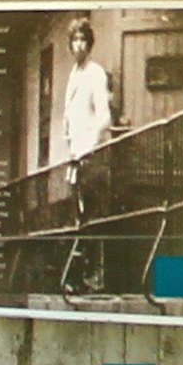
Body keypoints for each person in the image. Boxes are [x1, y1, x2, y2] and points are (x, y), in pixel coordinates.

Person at [50, 19, 119, 294]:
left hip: (93, 157)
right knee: (78, 217)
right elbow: (69, 116)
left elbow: (103, 117)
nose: (78, 45)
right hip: (76, 157)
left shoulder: (95, 73)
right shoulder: (73, 76)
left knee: (94, 215)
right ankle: (79, 278)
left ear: (89, 44)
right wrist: (69, 142)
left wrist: (87, 147)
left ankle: (96, 279)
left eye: (83, 40)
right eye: (74, 40)